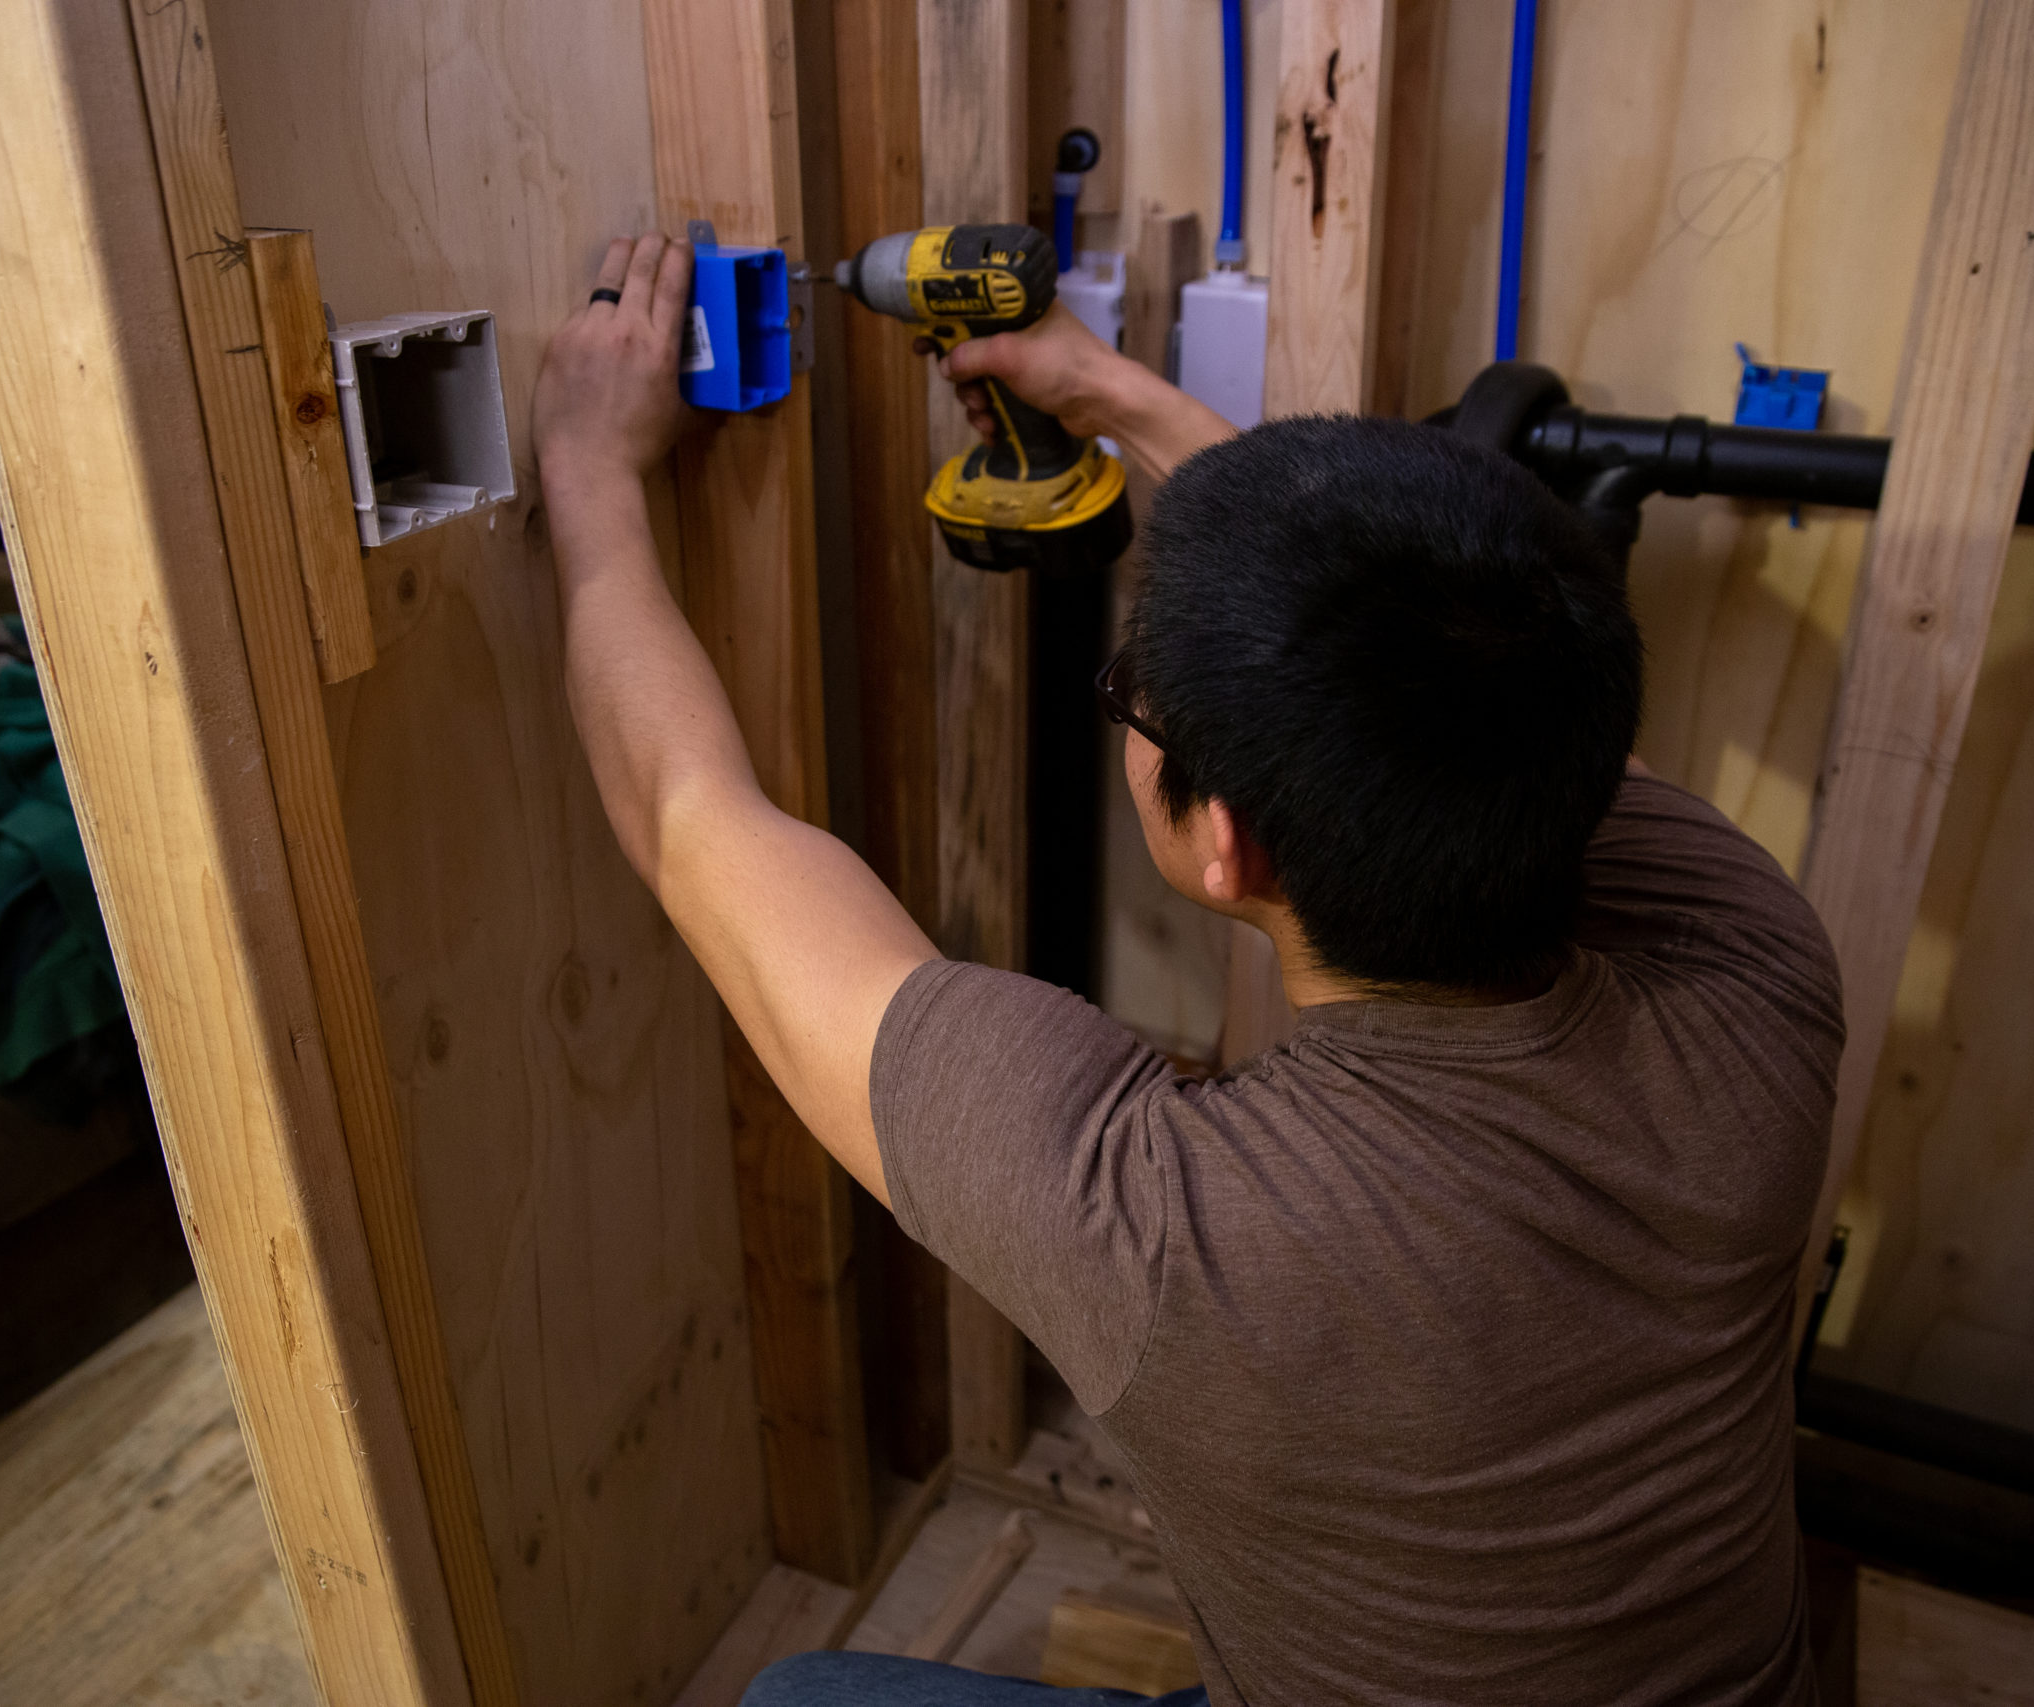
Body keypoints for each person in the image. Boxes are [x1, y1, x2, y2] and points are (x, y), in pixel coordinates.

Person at [533, 233, 1845, 1707]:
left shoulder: (1169, 1232)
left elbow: (688, 817)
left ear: (1228, 843)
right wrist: (1114, 395)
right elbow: (1429, 643)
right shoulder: (1754, 960)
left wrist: (590, 469)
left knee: (791, 1699)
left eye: (1129, 694)